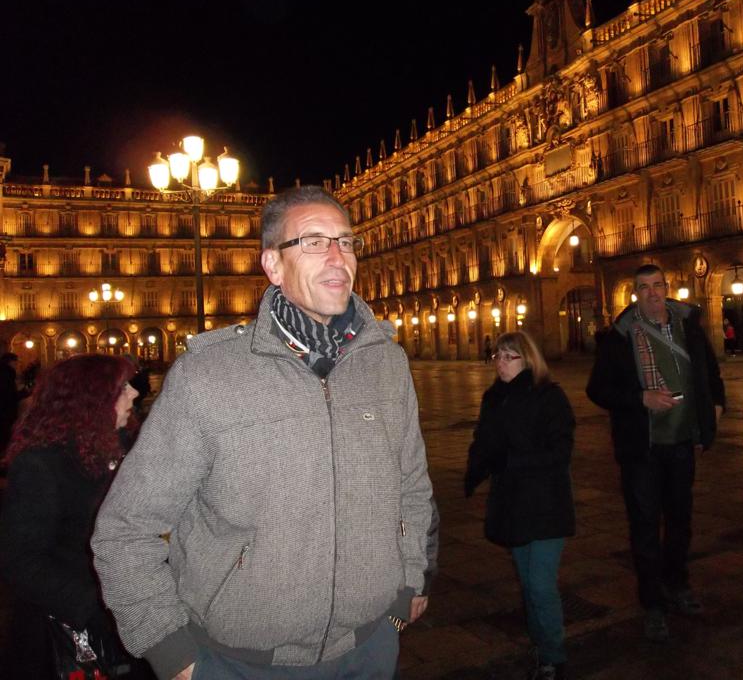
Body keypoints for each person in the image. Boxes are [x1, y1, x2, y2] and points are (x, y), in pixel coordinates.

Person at [92, 186, 435, 680]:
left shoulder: (386, 362)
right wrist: (172, 653)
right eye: (314, 242)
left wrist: (409, 583)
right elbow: (127, 527)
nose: (338, 256)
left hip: (370, 649)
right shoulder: (208, 375)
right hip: (240, 663)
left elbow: (412, 488)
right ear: (273, 265)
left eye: (346, 241)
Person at [586, 263, 725, 642]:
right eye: (644, 287)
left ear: (667, 287)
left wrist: (715, 406)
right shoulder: (619, 336)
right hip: (641, 448)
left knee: (680, 520)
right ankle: (652, 603)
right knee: (645, 525)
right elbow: (597, 389)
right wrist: (640, 398)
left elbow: (709, 372)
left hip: (682, 442)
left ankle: (678, 584)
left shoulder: (688, 326)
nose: (652, 293)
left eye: (657, 285)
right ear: (635, 293)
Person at [0, 354, 149, 678]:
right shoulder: (41, 465)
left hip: (130, 619)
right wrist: (96, 606)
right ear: (91, 399)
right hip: (64, 635)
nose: (135, 393)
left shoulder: (130, 449)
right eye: (122, 387)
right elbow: (20, 560)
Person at [464, 331, 575, 680]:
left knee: (541, 585)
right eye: (497, 355)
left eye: (508, 356)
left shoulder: (550, 397)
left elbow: (560, 452)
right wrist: (475, 469)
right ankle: (541, 646)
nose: (500, 363)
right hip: (512, 504)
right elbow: (483, 440)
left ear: (528, 359)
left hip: (546, 504)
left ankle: (554, 656)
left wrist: (510, 461)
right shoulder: (494, 398)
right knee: (527, 584)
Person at [0, 351, 19, 456]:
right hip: (6, 410)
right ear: (10, 362)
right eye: (15, 362)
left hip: (4, 409)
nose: (17, 365)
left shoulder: (5, 373)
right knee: (6, 433)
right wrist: (24, 393)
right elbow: (9, 395)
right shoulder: (7, 374)